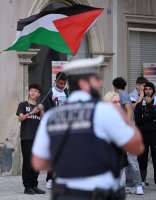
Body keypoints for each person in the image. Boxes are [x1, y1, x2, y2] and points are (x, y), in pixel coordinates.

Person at [32, 56, 144, 200]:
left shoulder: (51, 117)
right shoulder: (104, 111)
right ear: (85, 84)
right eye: (96, 80)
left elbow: (38, 162)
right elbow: (136, 147)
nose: (101, 83)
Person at [112, 77, 144, 195]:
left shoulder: (122, 95)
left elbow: (129, 111)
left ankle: (138, 185)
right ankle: (129, 184)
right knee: (126, 160)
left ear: (115, 86)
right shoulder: (122, 95)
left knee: (131, 160)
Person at [16, 84, 45, 195]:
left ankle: (34, 185)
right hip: (27, 138)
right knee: (28, 162)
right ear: (28, 92)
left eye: (35, 91)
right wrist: (31, 113)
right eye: (31, 90)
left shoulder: (39, 106)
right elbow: (20, 118)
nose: (33, 93)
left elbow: (43, 119)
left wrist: (41, 110)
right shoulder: (23, 105)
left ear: (38, 94)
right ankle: (27, 186)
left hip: (38, 138)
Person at [44, 72, 69, 189]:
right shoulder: (50, 93)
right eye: (60, 83)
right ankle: (50, 178)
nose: (62, 85)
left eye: (64, 83)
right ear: (55, 81)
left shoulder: (67, 92)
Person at [135, 82, 156, 186]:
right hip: (142, 135)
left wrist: (149, 104)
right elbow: (138, 120)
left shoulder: (155, 102)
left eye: (150, 89)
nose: (148, 91)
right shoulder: (139, 104)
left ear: (153, 90)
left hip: (154, 135)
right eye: (146, 89)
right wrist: (151, 118)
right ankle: (142, 181)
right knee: (142, 158)